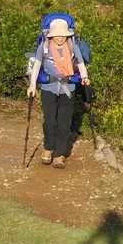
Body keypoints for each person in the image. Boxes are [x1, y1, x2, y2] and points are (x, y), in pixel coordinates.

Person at [26, 16, 91, 168]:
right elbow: (36, 67)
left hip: (68, 88)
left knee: (64, 122)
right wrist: (32, 86)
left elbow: (81, 63)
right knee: (50, 121)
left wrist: (85, 77)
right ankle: (48, 148)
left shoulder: (72, 47)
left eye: (63, 35)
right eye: (57, 35)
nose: (60, 38)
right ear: (51, 35)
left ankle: (59, 154)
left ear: (67, 35)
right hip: (48, 88)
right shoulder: (44, 47)